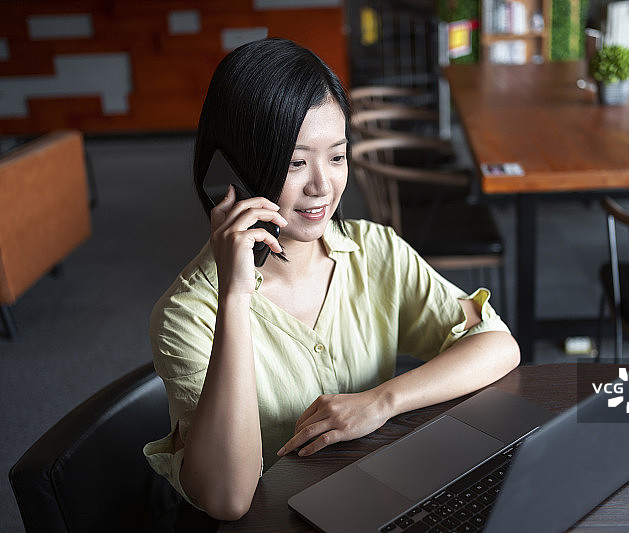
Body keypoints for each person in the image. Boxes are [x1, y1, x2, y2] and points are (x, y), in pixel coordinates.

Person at [143, 37, 520, 521]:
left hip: (373, 507)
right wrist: (234, 295)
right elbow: (228, 500)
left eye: (337, 156)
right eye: (296, 162)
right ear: (231, 170)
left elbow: (498, 345)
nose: (322, 186)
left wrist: (381, 401)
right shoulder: (187, 315)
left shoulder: (374, 251)